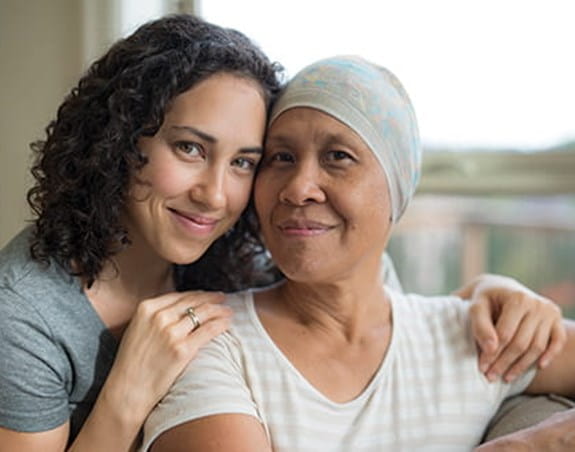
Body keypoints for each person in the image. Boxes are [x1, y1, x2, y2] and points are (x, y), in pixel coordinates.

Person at [0, 14, 565, 452]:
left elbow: (367, 301)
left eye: (245, 161)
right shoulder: (26, 313)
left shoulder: (234, 252)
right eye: (190, 148)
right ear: (121, 141)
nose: (215, 194)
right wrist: (126, 395)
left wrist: (491, 293)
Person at [140, 55, 575, 451]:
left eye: (338, 157)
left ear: (396, 192)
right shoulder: (207, 340)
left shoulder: (478, 339)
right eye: (282, 157)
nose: (298, 187)